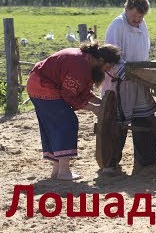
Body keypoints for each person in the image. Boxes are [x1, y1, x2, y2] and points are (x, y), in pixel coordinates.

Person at [26, 40, 121, 181]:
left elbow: (81, 91)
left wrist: (101, 104)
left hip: (38, 84)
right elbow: (69, 96)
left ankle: (57, 171)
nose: (107, 70)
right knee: (67, 123)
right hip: (43, 86)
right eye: (107, 66)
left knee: (54, 126)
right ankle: (64, 171)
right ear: (101, 60)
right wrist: (94, 109)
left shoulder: (85, 60)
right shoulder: (81, 66)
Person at [101, 0, 156, 174]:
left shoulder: (143, 25)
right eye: (134, 16)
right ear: (126, 9)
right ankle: (111, 163)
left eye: (140, 17)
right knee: (117, 122)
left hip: (139, 80)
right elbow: (110, 55)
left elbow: (145, 50)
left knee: (144, 119)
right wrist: (123, 71)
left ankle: (146, 162)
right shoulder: (117, 25)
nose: (137, 20)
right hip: (121, 81)